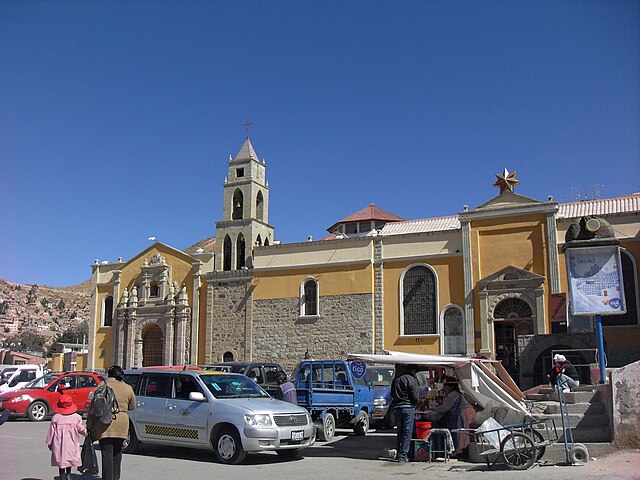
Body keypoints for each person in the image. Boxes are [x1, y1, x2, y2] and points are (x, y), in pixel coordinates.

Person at [87, 365, 136, 480]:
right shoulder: (128, 388)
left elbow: (94, 406)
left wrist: (90, 423)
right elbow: (132, 406)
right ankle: (116, 477)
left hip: (105, 423)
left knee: (106, 452)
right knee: (118, 452)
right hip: (122, 423)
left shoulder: (102, 385)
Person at [423, 376, 475, 458]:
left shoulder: (453, 394)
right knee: (463, 434)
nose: (444, 389)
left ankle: (461, 452)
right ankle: (462, 452)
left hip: (465, 414)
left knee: (461, 435)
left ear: (450, 387)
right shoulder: (455, 394)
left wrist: (432, 409)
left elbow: (444, 408)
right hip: (465, 413)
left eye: (445, 387)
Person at [46, 394, 88, 480]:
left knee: (61, 460)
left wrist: (50, 443)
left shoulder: (56, 418)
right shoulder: (77, 417)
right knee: (69, 459)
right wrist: (86, 433)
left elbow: (52, 432)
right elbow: (80, 428)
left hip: (59, 443)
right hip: (72, 442)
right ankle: (68, 475)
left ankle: (62, 476)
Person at [390, 364, 420, 463]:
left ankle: (399, 453)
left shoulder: (396, 380)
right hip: (408, 408)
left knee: (400, 431)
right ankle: (403, 456)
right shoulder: (411, 379)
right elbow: (415, 397)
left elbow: (392, 395)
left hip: (398, 408)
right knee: (407, 432)